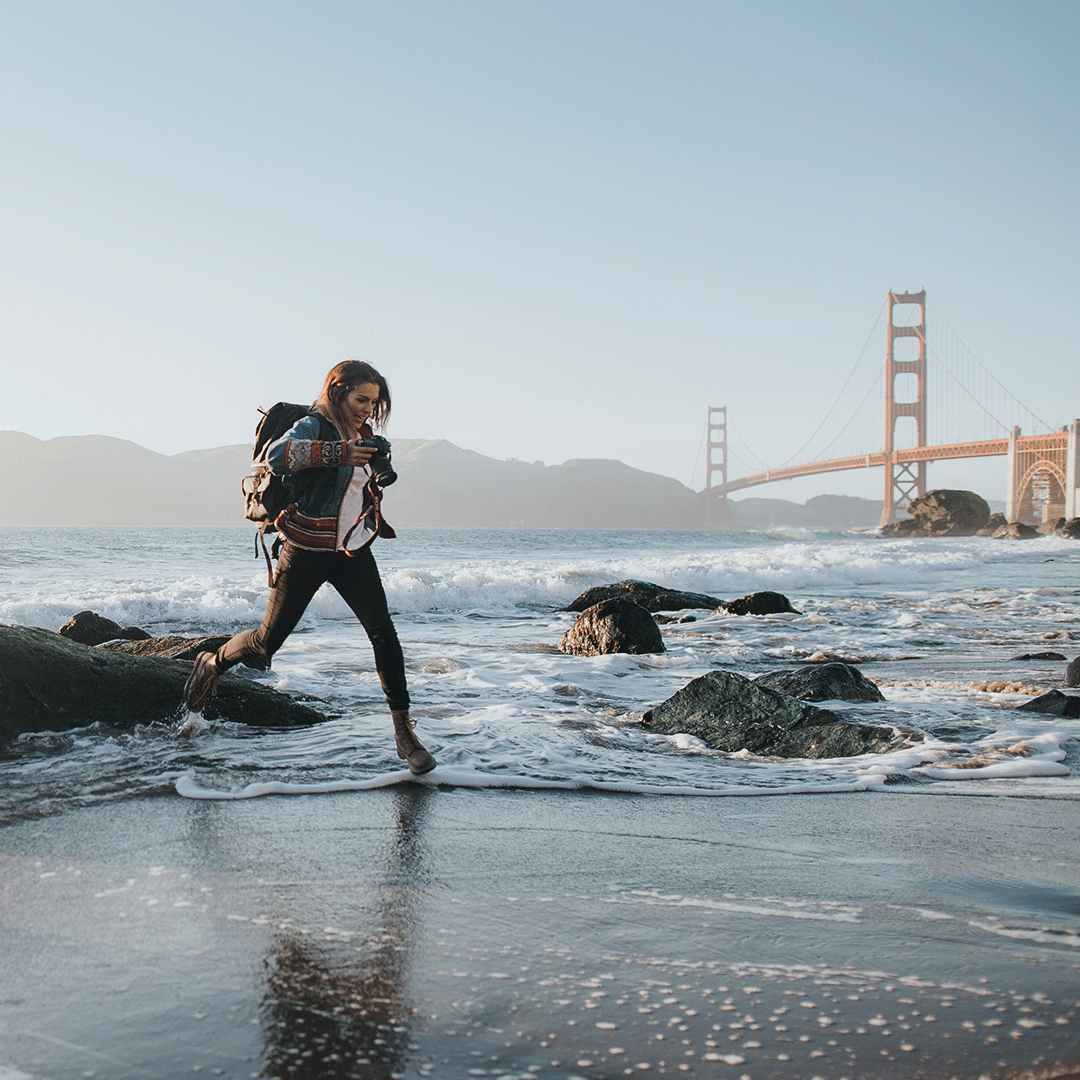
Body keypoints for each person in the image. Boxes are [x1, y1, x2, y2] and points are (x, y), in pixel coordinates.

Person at [183, 360, 436, 775]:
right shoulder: (314, 424)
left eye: (373, 402)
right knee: (266, 644)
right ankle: (212, 662)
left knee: (384, 635)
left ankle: (404, 734)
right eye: (361, 399)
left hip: (351, 549)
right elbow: (277, 456)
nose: (367, 409)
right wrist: (339, 453)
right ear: (338, 391)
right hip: (304, 545)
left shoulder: (365, 433)